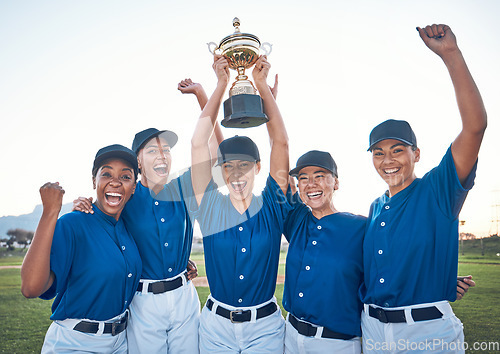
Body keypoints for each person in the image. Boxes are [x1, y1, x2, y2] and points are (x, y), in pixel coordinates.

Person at [360, 24, 487, 353]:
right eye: (379, 152)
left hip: (426, 334)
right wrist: (438, 278)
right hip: (372, 331)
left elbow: (475, 127)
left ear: (416, 154)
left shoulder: (437, 189)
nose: (388, 159)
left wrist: (451, 55)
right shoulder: (375, 207)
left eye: (398, 149)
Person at [73, 79, 218, 354]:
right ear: (138, 161)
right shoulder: (124, 195)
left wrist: (202, 95)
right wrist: (82, 204)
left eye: (166, 150)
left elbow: (211, 152)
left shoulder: (185, 187)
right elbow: (100, 216)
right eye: (152, 150)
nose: (162, 155)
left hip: (183, 296)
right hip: (142, 301)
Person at [190, 54, 291, 353]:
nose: (236, 174)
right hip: (215, 329)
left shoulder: (272, 205)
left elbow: (281, 144)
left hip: (266, 329)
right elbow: (198, 144)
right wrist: (220, 84)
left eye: (244, 166)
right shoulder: (210, 207)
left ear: (258, 167)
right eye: (229, 166)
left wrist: (260, 86)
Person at [21, 144, 142, 353]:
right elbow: (31, 288)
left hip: (121, 342)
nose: (115, 181)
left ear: (133, 187)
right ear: (94, 181)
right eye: (106, 174)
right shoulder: (73, 224)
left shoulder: (128, 228)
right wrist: (50, 212)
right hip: (76, 343)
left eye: (125, 177)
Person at [284, 150, 365, 353]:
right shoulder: (297, 219)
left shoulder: (361, 227)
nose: (311, 184)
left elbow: (395, 263)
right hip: (291, 337)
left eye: (319, 176)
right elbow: (279, 160)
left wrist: (440, 280)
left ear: (335, 183)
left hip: (336, 344)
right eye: (303, 178)